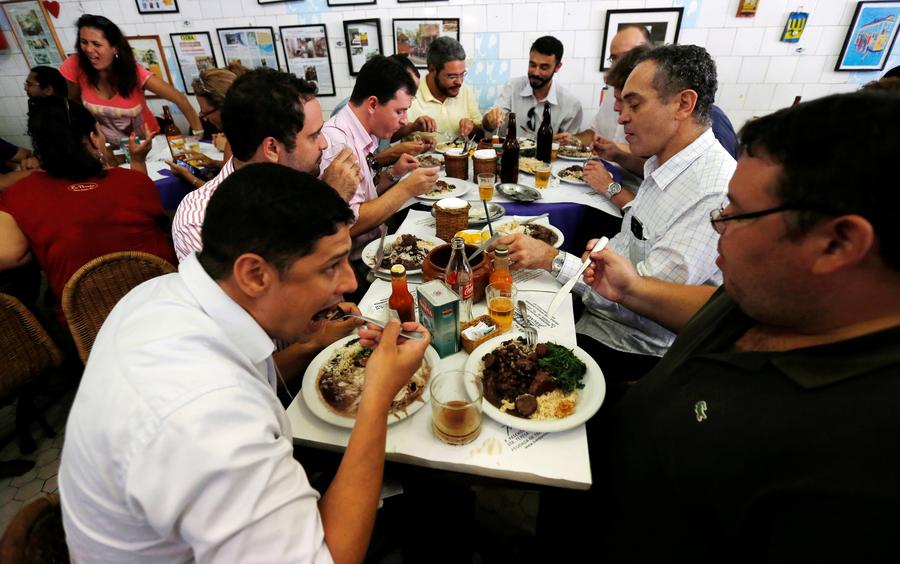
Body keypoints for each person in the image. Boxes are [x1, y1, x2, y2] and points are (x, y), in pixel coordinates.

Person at [581, 90, 900, 562]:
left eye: (737, 212)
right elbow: (710, 305)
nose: (718, 223)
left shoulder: (862, 467)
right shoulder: (771, 290)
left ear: (837, 244)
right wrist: (630, 289)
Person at [58, 163, 432, 562]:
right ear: (254, 275)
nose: (349, 282)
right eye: (330, 266)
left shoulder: (163, 293)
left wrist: (309, 344)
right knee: (431, 507)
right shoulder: (208, 422)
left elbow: (245, 375)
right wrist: (377, 394)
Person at [497, 45, 735, 382]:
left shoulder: (711, 190)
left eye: (634, 105)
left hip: (629, 346)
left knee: (508, 367)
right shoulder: (663, 162)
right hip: (599, 311)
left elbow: (642, 301)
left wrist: (553, 259)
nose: (621, 117)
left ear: (684, 103)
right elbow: (631, 247)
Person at [0, 96, 174, 328]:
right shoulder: (133, 182)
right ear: (93, 138)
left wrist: (48, 242)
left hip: (88, 325)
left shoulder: (20, 194)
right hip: (164, 307)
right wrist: (137, 160)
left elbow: (9, 256)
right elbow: (147, 209)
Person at [173, 67, 361, 262]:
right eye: (314, 136)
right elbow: (270, 289)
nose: (324, 144)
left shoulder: (304, 179)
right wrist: (330, 205)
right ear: (272, 148)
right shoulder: (199, 221)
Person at [320, 55, 439, 263]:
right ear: (373, 104)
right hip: (355, 263)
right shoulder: (338, 143)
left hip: (374, 247)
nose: (404, 121)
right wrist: (407, 188)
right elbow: (350, 224)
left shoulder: (362, 132)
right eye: (399, 111)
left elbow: (364, 195)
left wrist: (395, 173)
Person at [562, 26, 738, 159]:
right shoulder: (615, 91)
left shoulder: (713, 126)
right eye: (614, 58)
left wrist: (612, 188)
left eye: (635, 105)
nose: (621, 116)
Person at [61, 14, 202, 144]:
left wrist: (197, 136)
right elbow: (73, 102)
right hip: (109, 147)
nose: (89, 50)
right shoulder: (75, 64)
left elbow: (179, 98)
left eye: (96, 44)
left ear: (115, 48)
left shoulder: (135, 73)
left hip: (148, 144)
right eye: (84, 42)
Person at [330, 54, 434, 165]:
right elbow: (362, 167)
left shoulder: (374, 122)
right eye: (399, 111)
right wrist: (394, 153)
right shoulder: (340, 132)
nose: (404, 120)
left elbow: (371, 172)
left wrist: (413, 127)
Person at [489, 36, 583, 139]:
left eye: (544, 67)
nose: (536, 72)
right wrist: (491, 119)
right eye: (532, 65)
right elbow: (489, 124)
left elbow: (570, 149)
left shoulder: (571, 105)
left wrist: (562, 142)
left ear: (557, 67)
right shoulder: (512, 86)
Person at [406, 37, 499, 138]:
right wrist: (413, 127)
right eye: (452, 76)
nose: (459, 82)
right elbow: (390, 137)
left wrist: (472, 127)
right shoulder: (410, 92)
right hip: (420, 154)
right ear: (432, 70)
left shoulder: (465, 91)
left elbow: (480, 134)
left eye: (462, 74)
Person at [166, 68, 238, 189]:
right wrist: (214, 163)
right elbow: (239, 169)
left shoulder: (237, 140)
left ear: (223, 106)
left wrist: (189, 176)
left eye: (205, 112)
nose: (202, 118)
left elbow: (224, 195)